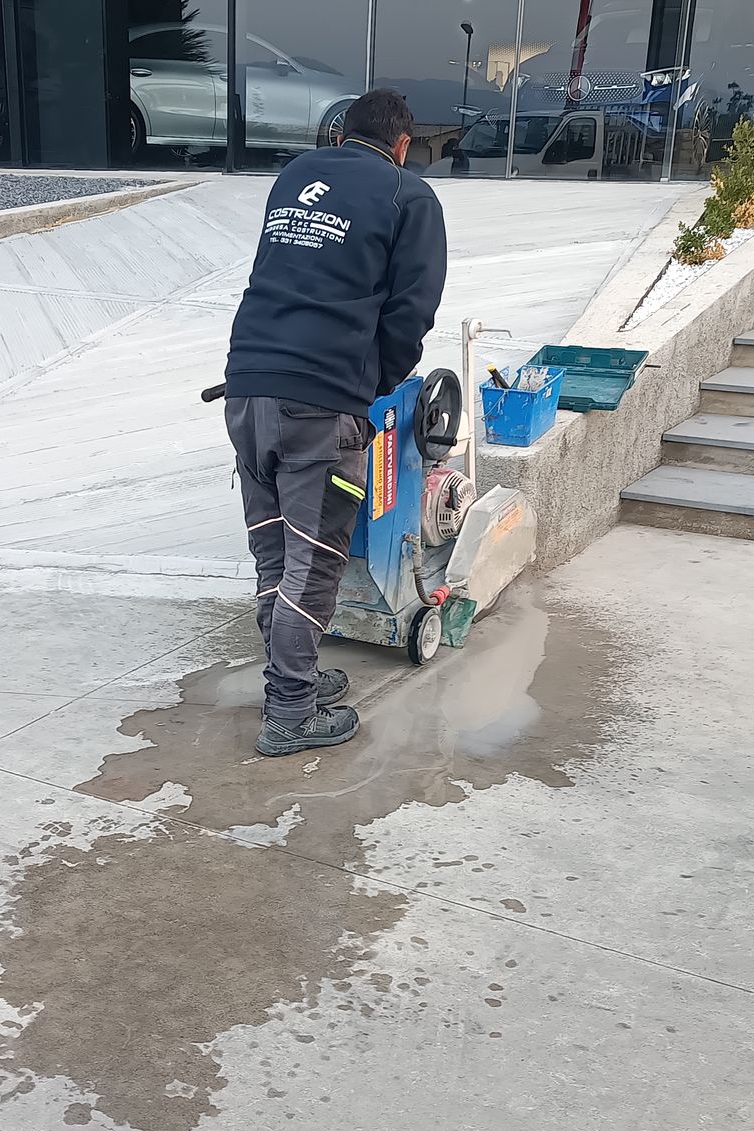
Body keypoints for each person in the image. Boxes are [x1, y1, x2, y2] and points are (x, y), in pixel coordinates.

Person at [222, 88, 449, 757]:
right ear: (403, 145)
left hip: (247, 392)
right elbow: (411, 315)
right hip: (317, 411)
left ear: (340, 136)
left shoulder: (294, 177)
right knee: (314, 567)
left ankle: (294, 677)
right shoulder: (410, 197)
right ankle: (289, 712)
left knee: (275, 558)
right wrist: (371, 387)